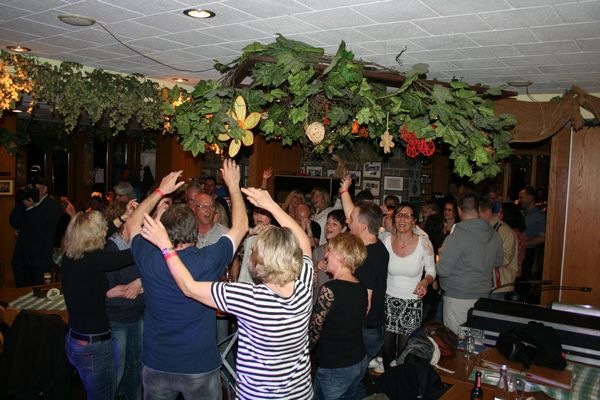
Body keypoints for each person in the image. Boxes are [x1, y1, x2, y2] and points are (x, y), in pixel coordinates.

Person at [140, 185, 314, 399]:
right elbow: (304, 242)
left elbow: (188, 286)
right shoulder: (304, 287)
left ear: (257, 263)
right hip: (300, 394)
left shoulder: (249, 298)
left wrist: (165, 246)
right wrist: (272, 206)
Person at [125, 160, 247, 400]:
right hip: (198, 366)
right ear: (194, 231)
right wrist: (234, 186)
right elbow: (241, 227)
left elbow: (131, 224)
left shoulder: (149, 257)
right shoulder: (207, 260)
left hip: (157, 363)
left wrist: (160, 190)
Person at [62, 210, 137, 400]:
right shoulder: (95, 260)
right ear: (93, 235)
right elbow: (134, 254)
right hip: (93, 347)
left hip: (74, 340)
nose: (106, 232)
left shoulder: (72, 255)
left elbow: (106, 230)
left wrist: (123, 217)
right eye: (102, 230)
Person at [310, 233, 368, 400]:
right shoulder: (361, 287)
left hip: (336, 368)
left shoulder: (330, 289)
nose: (326, 255)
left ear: (341, 257)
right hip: (358, 361)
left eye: (330, 251)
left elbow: (313, 332)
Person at [339, 176, 389, 366]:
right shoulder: (376, 246)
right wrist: (345, 191)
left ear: (363, 226)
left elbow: (366, 301)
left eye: (351, 220)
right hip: (372, 328)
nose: (347, 220)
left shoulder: (367, 257)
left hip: (365, 329)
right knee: (356, 374)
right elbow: (353, 214)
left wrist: (349, 327)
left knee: (350, 372)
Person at [436, 194, 503, 334]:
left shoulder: (457, 236)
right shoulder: (494, 234)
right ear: (478, 210)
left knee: (456, 338)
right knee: (475, 338)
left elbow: (442, 270)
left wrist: (438, 258)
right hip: (483, 295)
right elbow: (498, 262)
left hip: (457, 295)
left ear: (459, 211)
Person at [381, 203, 436, 371]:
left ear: (414, 221)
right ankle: (388, 381)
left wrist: (425, 282)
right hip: (388, 301)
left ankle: (402, 382)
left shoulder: (424, 243)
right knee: (387, 348)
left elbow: (431, 271)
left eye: (407, 215)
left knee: (404, 351)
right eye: (399, 215)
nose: (402, 219)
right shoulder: (386, 240)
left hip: (411, 303)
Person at [104, 202, 144, 400]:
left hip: (137, 315)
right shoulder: (110, 247)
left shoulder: (138, 243)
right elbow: (108, 290)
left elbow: (153, 273)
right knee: (116, 370)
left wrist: (140, 282)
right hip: (116, 319)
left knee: (137, 366)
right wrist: (137, 286)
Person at [10, 177, 62, 287]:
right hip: (21, 257)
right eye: (29, 188)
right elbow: (14, 222)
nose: (31, 191)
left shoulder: (53, 205)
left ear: (44, 189)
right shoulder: (25, 202)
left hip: (39, 258)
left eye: (34, 188)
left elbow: (42, 227)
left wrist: (31, 208)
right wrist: (19, 202)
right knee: (21, 291)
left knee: (38, 291)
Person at [479, 198, 519, 299]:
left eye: (478, 214)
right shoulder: (483, 229)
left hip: (500, 288)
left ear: (487, 212)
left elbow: (505, 259)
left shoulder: (504, 231)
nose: (476, 218)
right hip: (485, 286)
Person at [517, 186, 546, 302]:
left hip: (528, 252)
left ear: (530, 197)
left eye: (522, 197)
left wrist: (524, 244)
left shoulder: (539, 216)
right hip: (518, 251)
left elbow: (542, 238)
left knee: (523, 281)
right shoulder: (521, 213)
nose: (520, 200)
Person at [312, 209, 348, 299]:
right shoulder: (317, 251)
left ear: (343, 229)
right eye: (327, 223)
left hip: (338, 300)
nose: (329, 226)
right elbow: (312, 284)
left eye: (334, 224)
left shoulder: (347, 252)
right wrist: (315, 268)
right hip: (318, 301)